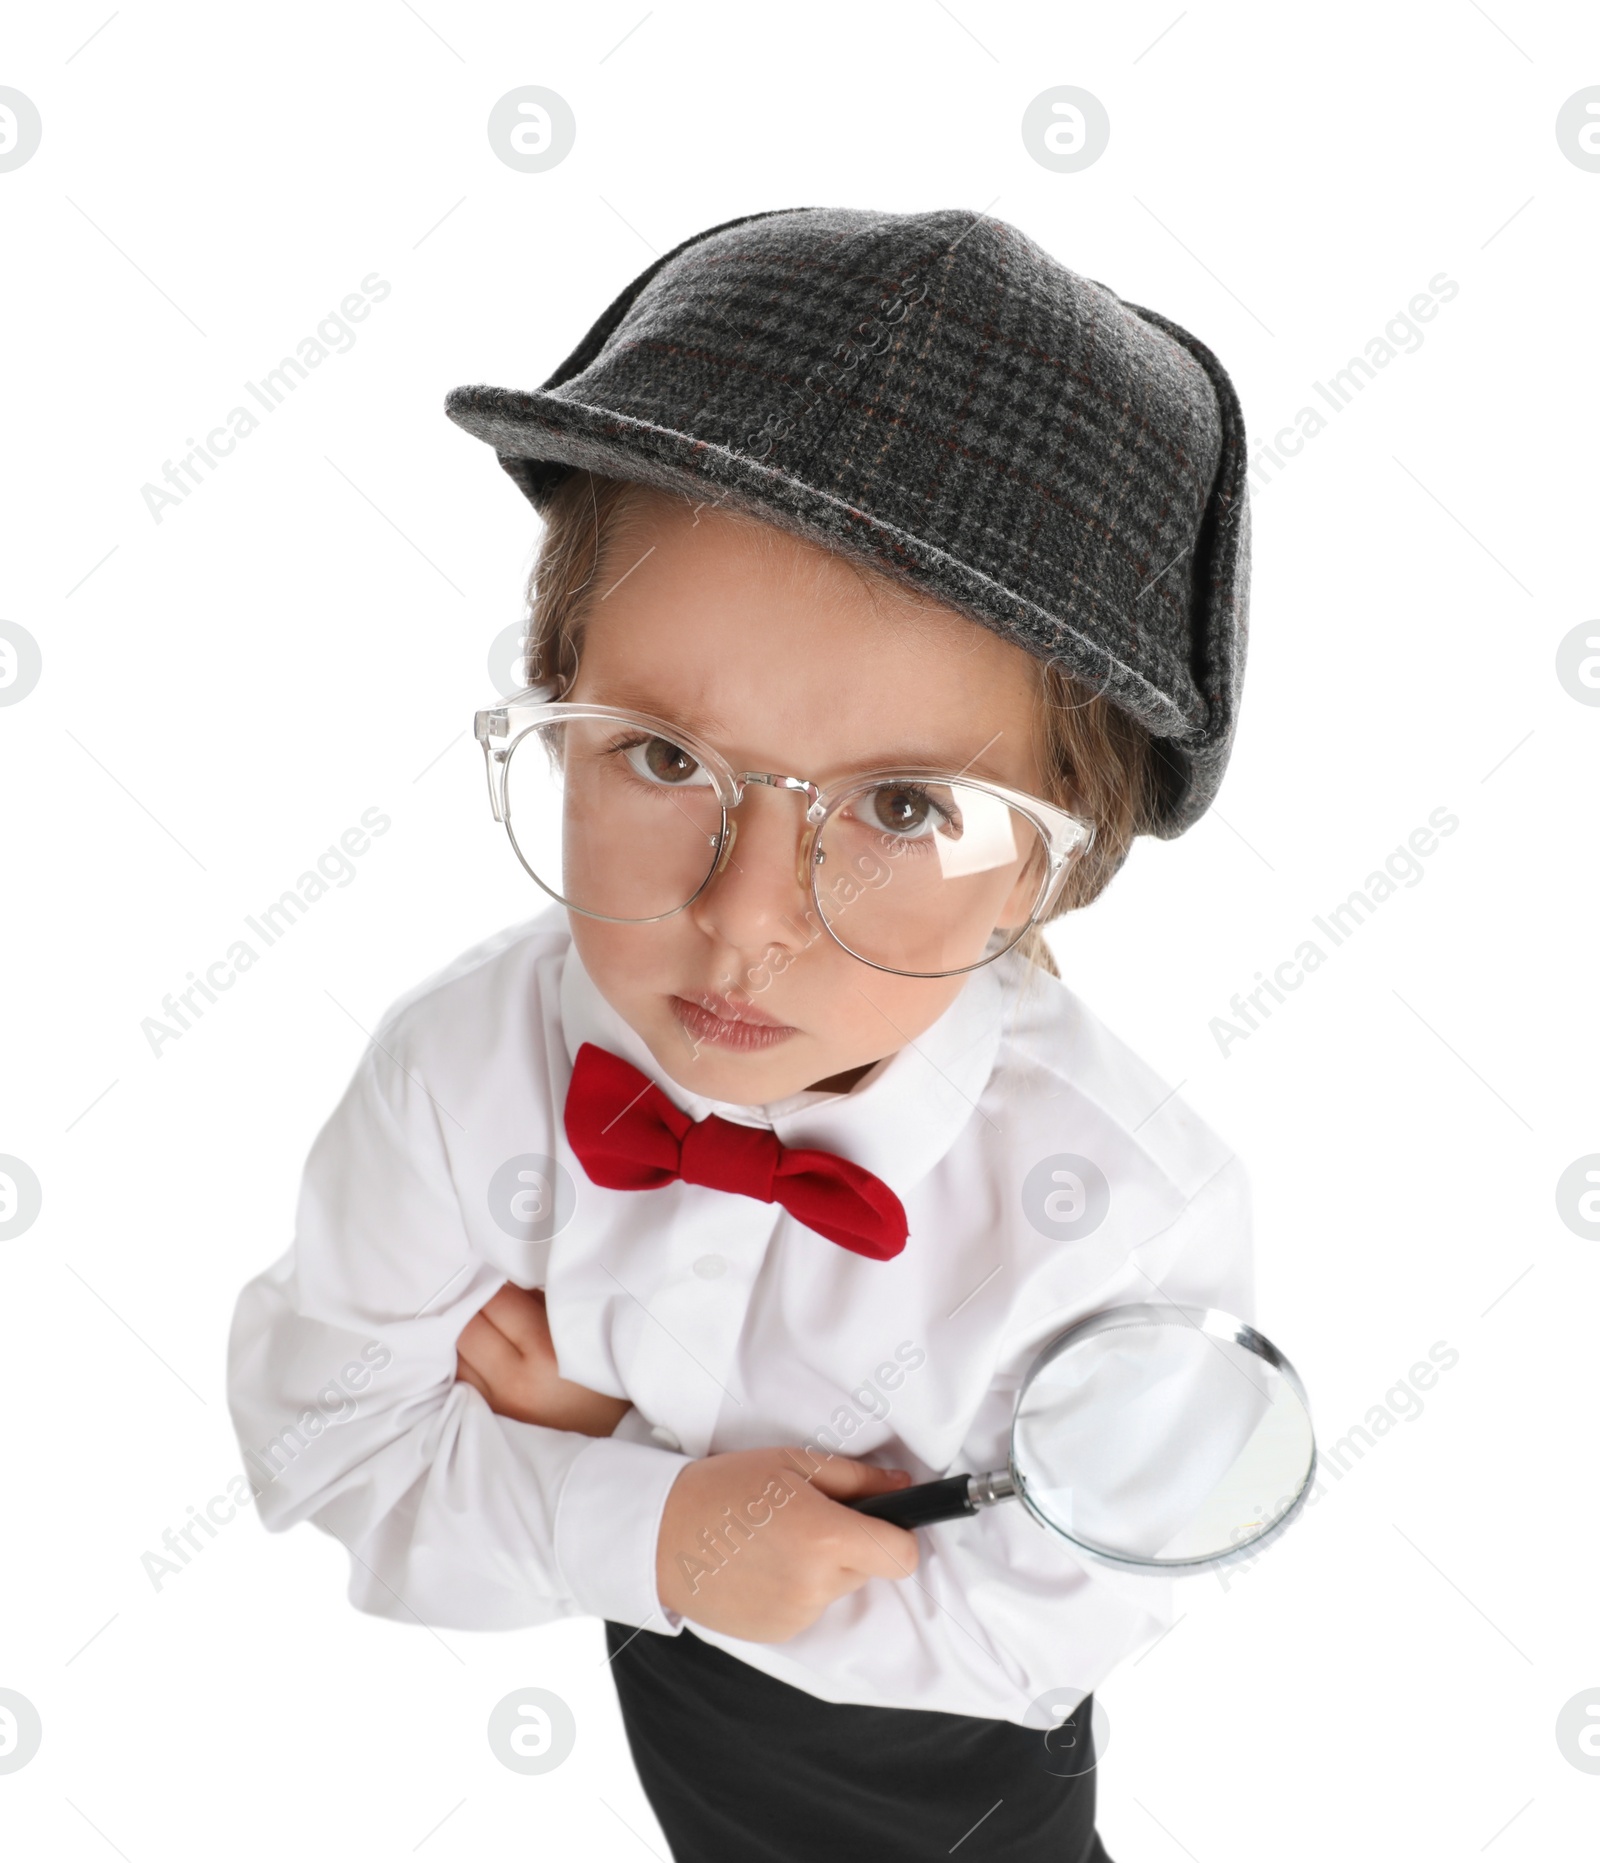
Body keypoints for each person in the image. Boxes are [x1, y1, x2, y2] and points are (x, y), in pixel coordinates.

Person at [225, 205, 1255, 1862]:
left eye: (907, 805)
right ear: (555, 699)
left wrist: (618, 1481)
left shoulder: (1129, 1210)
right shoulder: (458, 1078)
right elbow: (321, 1432)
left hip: (961, 1796)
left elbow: (1031, 1635)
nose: (748, 913)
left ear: (1066, 858)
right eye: (660, 758)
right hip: (684, 1737)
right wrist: (660, 1533)